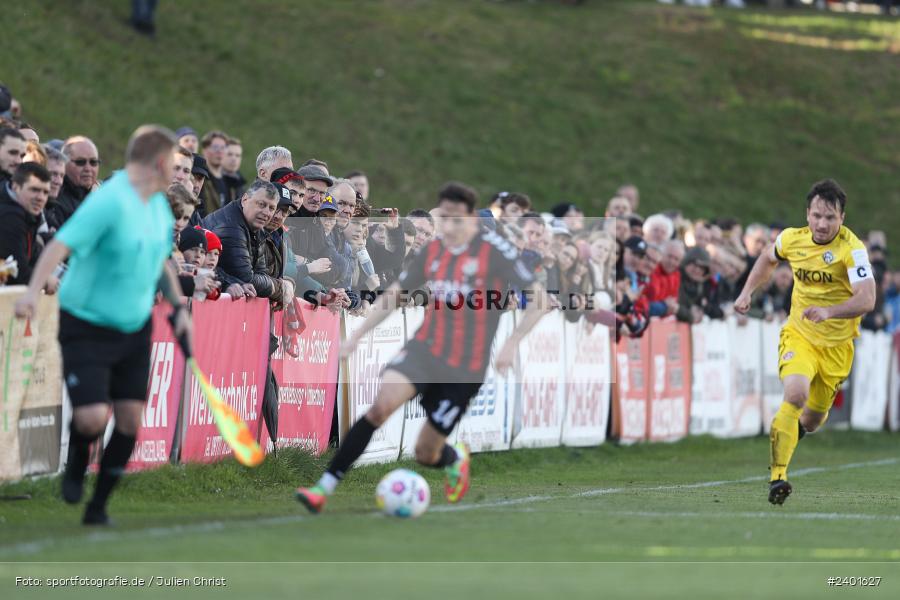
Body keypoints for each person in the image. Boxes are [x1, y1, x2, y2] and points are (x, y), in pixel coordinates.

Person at [295, 182, 552, 514]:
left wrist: (512, 344)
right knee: (379, 409)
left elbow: (540, 300)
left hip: (464, 366)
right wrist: (358, 336)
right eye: (443, 217)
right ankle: (323, 488)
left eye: (456, 219)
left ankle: (453, 457)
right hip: (424, 350)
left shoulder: (495, 251)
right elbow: (395, 294)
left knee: (425, 453)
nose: (448, 226)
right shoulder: (434, 251)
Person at [13, 125, 193, 526]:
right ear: (159, 162)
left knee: (129, 421)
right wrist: (31, 291)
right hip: (86, 321)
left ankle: (98, 508)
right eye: (175, 165)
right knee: (93, 418)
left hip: (134, 326)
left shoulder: (159, 207)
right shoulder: (109, 202)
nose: (179, 173)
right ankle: (78, 461)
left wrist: (179, 307)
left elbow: (162, 260)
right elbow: (60, 246)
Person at [735, 179, 875, 506]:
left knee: (811, 420)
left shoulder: (851, 250)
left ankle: (788, 436)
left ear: (842, 217)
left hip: (837, 346)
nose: (822, 224)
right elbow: (768, 259)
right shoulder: (791, 239)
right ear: (807, 214)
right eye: (816, 216)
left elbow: (867, 299)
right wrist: (746, 292)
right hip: (799, 332)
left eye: (830, 217)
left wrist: (830, 311)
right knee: (795, 393)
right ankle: (778, 477)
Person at [202, 179, 289, 301]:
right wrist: (280, 288)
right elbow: (247, 279)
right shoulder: (230, 227)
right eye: (261, 204)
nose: (266, 213)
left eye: (271, 208)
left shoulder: (256, 226)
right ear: (245, 200)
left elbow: (262, 274)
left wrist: (273, 286)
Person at [0, 162, 52, 285]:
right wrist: (45, 281)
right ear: (15, 187)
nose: (41, 198)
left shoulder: (29, 214)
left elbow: (34, 258)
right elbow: (16, 273)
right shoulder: (9, 217)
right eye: (34, 190)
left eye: (45, 192)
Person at [46, 136, 100, 230]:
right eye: (80, 162)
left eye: (93, 162)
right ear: (64, 163)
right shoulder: (54, 197)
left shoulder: (100, 196)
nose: (88, 168)